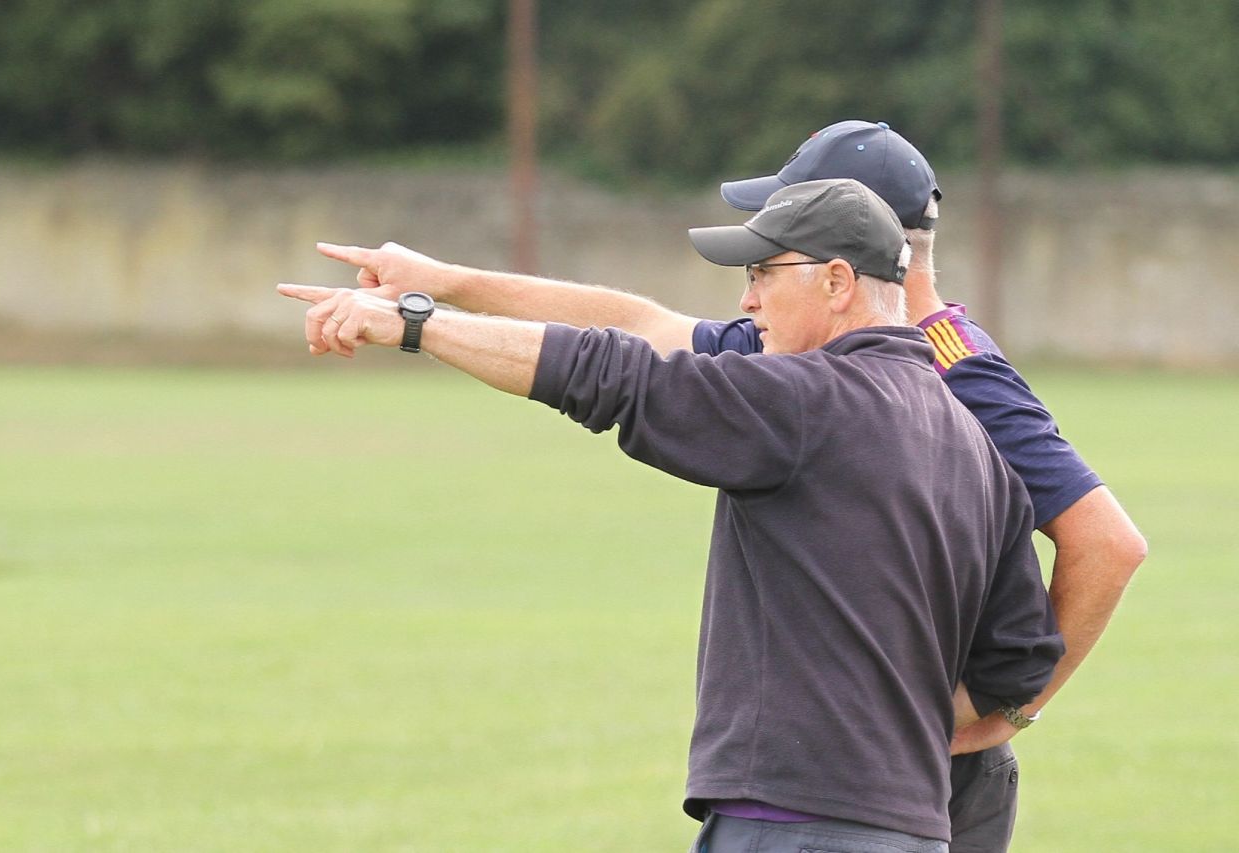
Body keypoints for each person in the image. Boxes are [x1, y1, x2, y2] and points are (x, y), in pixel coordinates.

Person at [313, 119, 1147, 852]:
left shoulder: (948, 382)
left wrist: (992, 719)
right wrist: (444, 281)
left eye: (767, 260)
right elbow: (638, 328)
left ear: (839, 271)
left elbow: (1108, 543)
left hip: (875, 793)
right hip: (892, 801)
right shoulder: (828, 370)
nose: (745, 301)